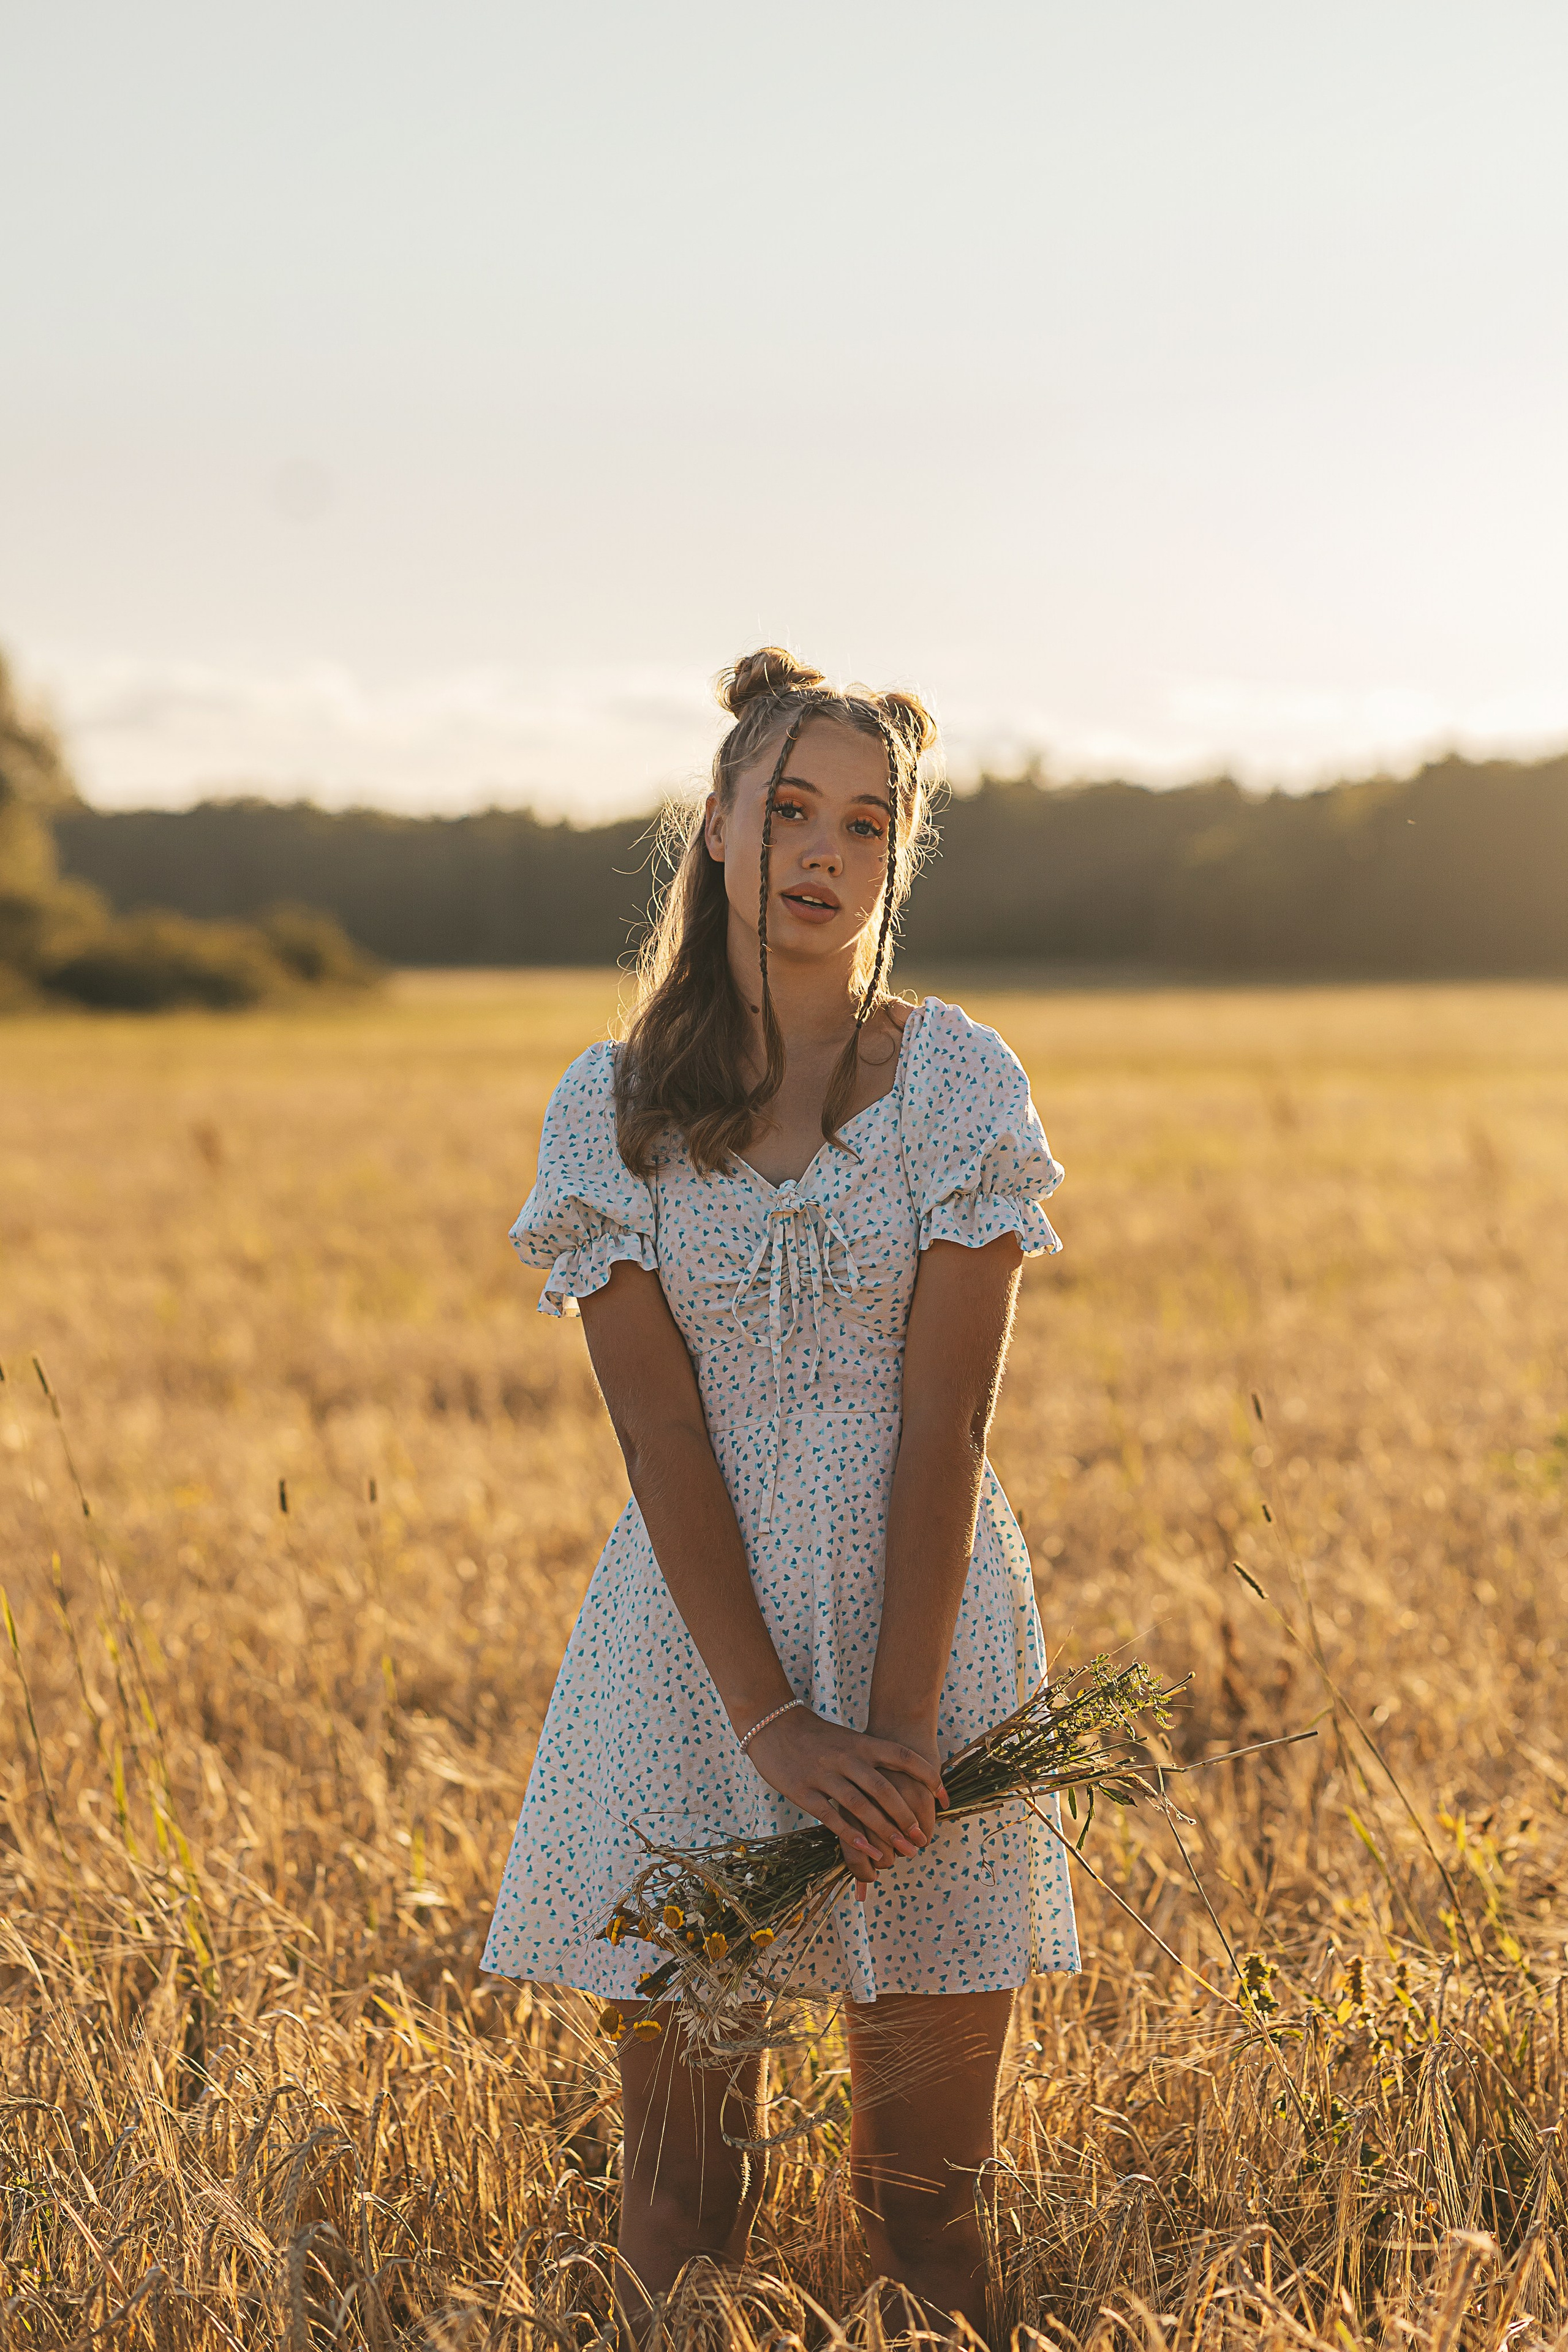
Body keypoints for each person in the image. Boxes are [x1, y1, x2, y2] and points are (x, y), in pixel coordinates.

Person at [483, 647, 1077, 2333]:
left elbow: (946, 1422)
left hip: (931, 1651)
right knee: (684, 2208)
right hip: (694, 1662)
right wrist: (773, 1727)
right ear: (720, 826)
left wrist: (896, 1738)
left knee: (932, 2227)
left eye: (869, 825)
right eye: (793, 809)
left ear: (899, 857)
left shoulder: (961, 1084)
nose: (826, 853)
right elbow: (662, 1440)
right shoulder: (609, 1110)